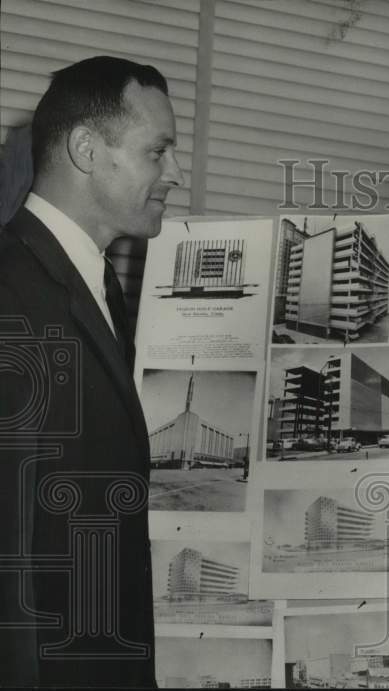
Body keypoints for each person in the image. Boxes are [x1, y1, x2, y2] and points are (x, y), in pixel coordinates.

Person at [0, 55, 183, 687]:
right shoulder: (8, 289)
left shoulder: (102, 284)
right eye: (157, 152)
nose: (175, 174)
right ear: (85, 148)